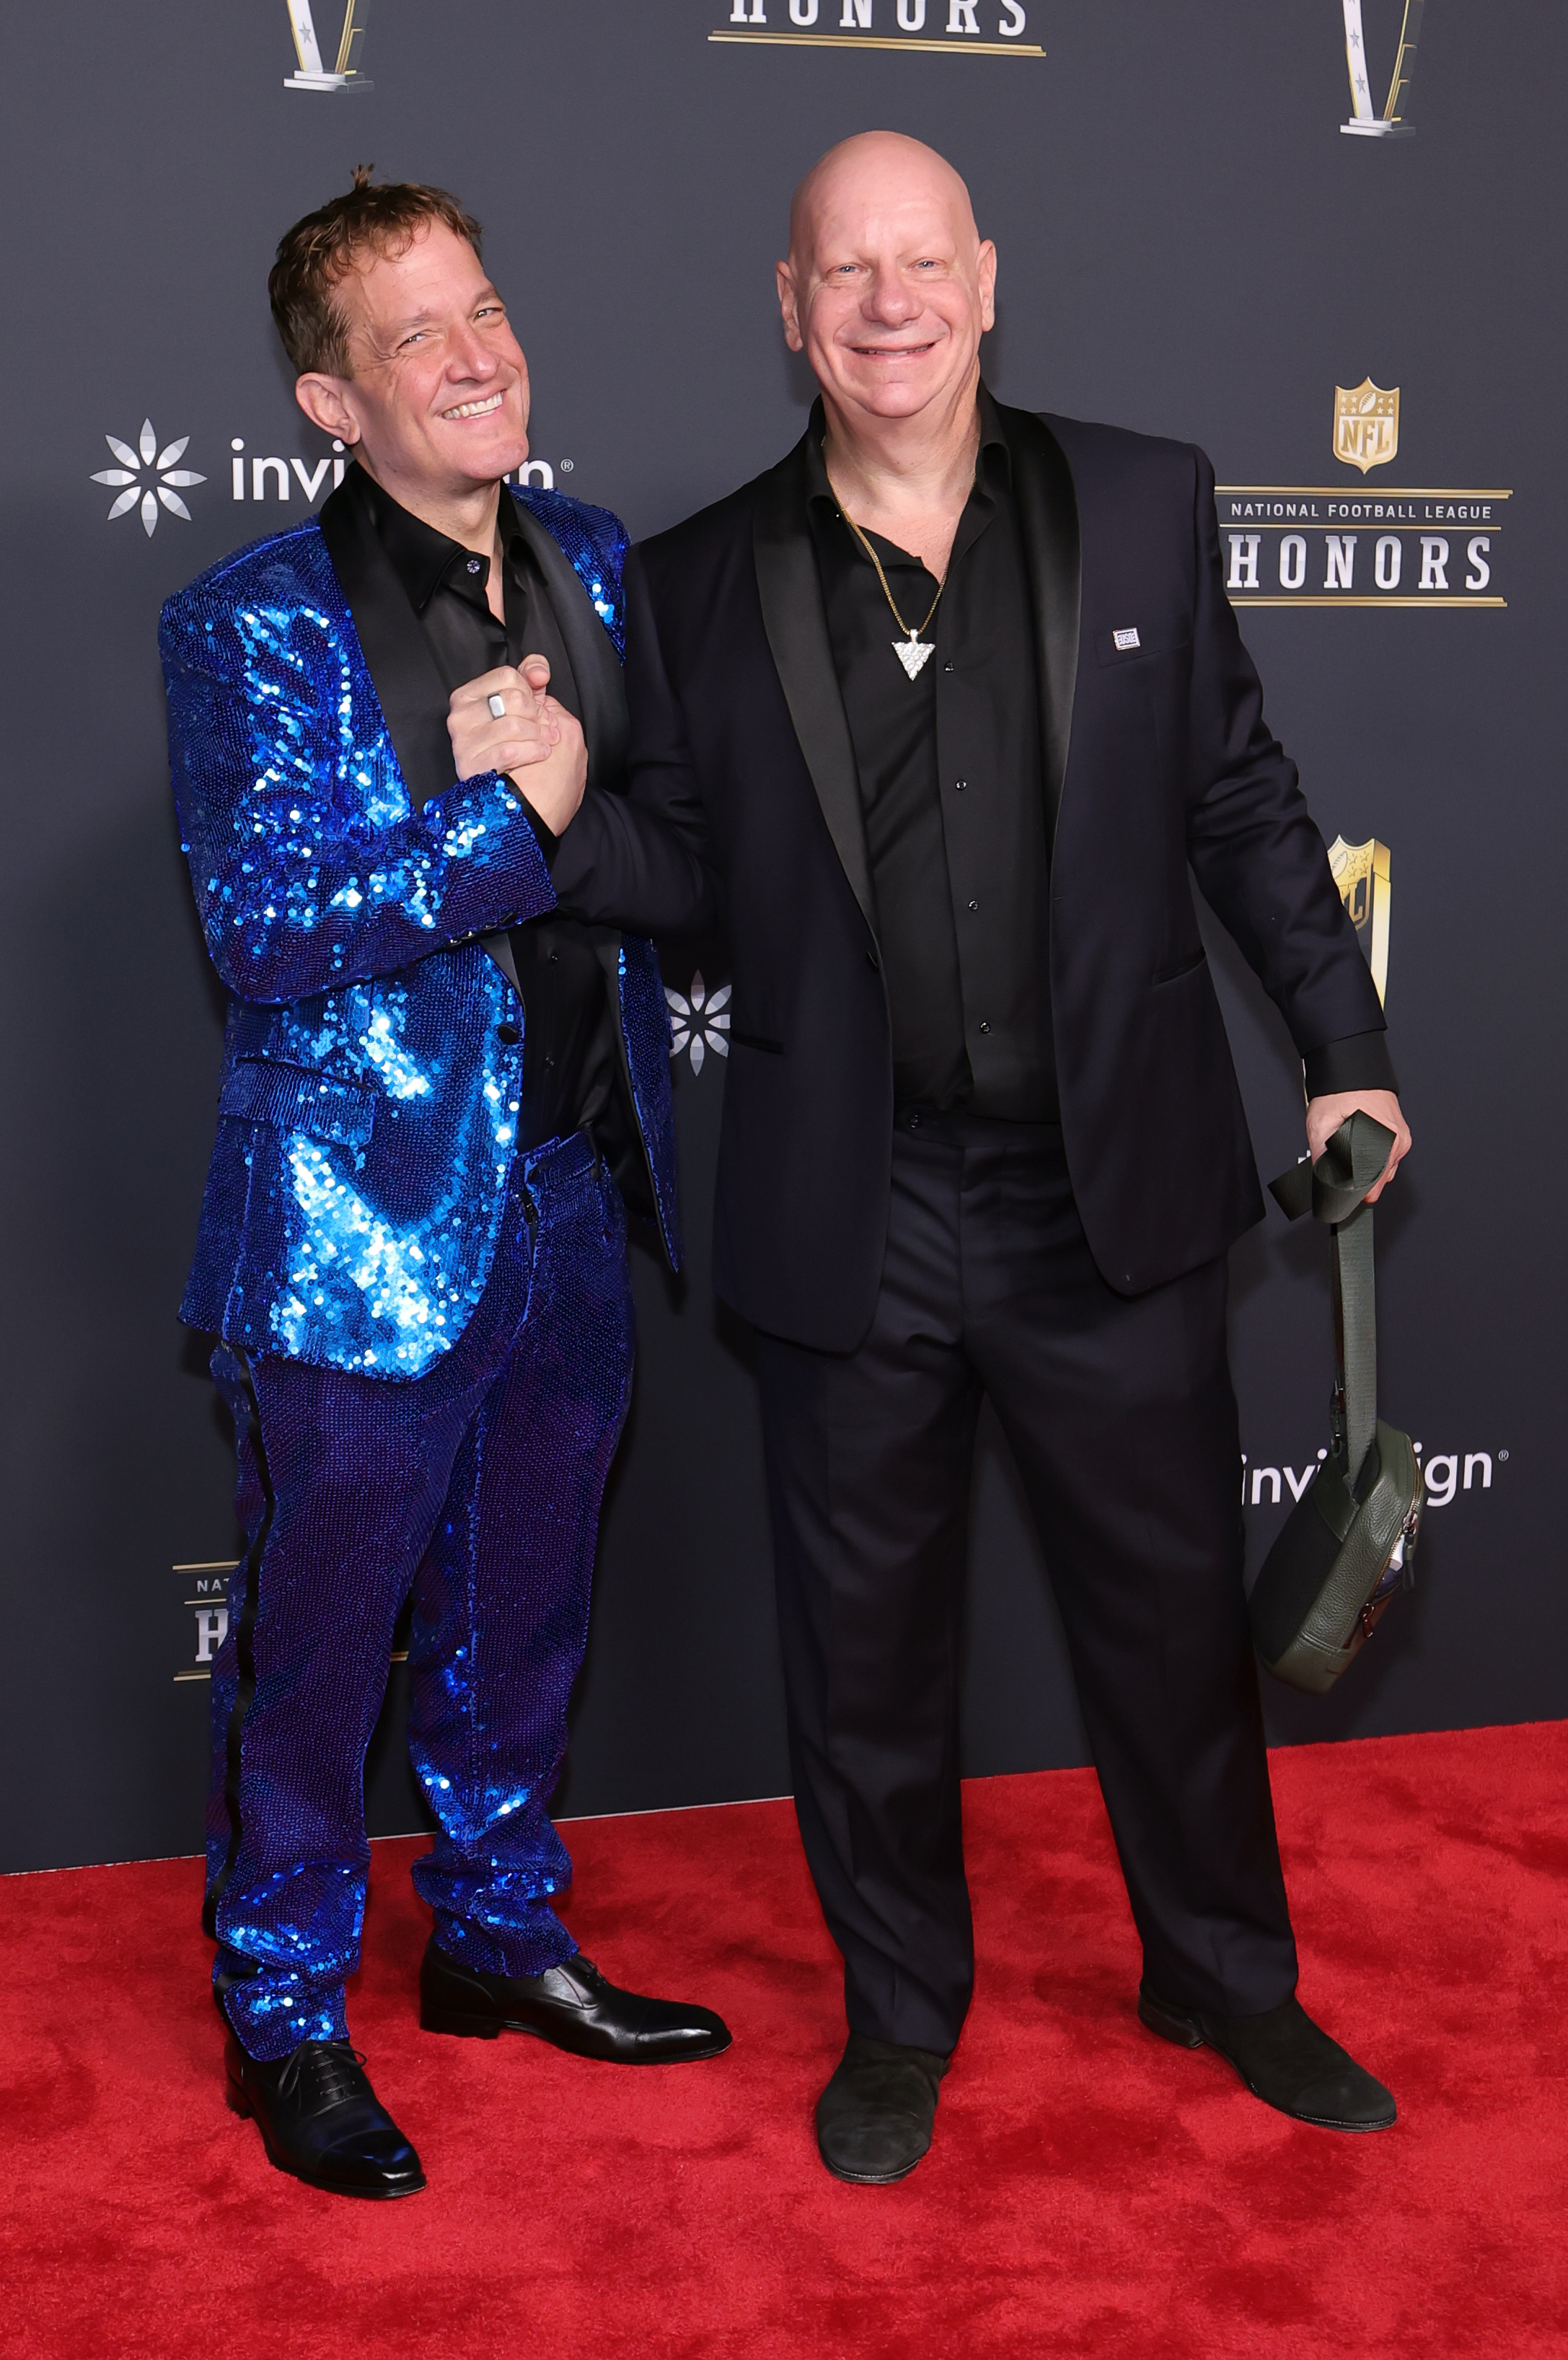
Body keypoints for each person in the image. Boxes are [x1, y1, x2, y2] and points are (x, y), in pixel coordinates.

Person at [550, 131, 1413, 2185]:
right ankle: (900, 2018)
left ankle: (1218, 1969)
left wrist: (1342, 1047)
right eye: (841, 269)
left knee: (1169, 1625)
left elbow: (1238, 799)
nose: (883, 300)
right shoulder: (692, 581)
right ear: (788, 307)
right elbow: (677, 878)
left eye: (917, 260)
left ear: (984, 278)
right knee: (862, 1660)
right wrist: (566, 806)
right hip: (857, 1211)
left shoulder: (1140, 498)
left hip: (1102, 1189)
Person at [162, 173, 728, 2202]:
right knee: (318, 1652)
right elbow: (263, 929)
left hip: (571, 1197)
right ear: (332, 402)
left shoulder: (589, 556)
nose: (474, 352)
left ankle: (498, 1941)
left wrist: (588, 815)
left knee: (527, 1611)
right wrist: (507, 822)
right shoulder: (241, 622)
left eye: (479, 306)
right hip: (351, 1234)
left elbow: (666, 830)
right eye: (415, 334)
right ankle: (287, 2009)